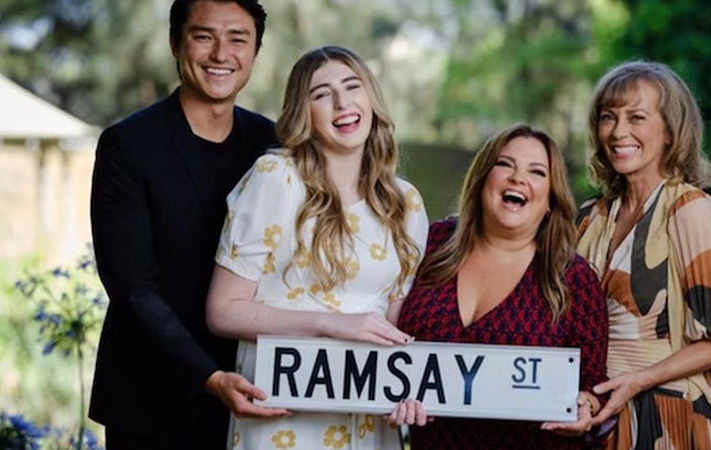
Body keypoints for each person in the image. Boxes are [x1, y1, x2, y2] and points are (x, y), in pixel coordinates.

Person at [205, 45, 430, 449]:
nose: (342, 102)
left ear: (371, 99)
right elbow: (223, 311)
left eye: (352, 86)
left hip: (368, 421)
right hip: (283, 422)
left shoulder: (405, 202)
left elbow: (396, 328)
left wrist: (410, 388)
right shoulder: (276, 178)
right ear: (302, 112)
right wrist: (334, 324)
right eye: (322, 94)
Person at [88, 1, 280, 448]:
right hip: (149, 402)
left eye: (238, 39)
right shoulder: (128, 146)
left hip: (256, 389)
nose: (221, 53)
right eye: (203, 36)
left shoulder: (273, 143)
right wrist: (209, 377)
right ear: (176, 42)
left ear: (254, 51)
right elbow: (134, 290)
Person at [575, 60, 711, 449]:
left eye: (636, 117)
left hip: (665, 415)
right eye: (609, 117)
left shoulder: (693, 211)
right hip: (589, 412)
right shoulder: (590, 217)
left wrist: (640, 379)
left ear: (671, 131)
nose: (619, 131)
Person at [396, 123, 610, 449]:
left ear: (552, 198)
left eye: (537, 172)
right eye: (505, 164)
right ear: (483, 179)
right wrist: (393, 392)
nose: (518, 178)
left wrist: (586, 408)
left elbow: (593, 386)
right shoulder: (432, 243)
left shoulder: (574, 279)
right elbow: (387, 337)